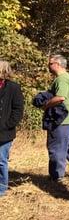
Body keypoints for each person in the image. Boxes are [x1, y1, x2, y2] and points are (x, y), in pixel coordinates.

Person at [45, 54, 69, 182]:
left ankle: (57, 176)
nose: (48, 66)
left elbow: (60, 97)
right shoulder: (66, 78)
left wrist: (45, 105)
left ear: (57, 64)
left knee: (56, 147)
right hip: (66, 119)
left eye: (50, 63)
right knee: (68, 146)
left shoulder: (62, 79)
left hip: (60, 120)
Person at [0, 61, 24, 197]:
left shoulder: (13, 88)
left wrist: (7, 125)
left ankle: (2, 188)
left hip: (5, 132)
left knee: (1, 160)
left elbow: (18, 110)